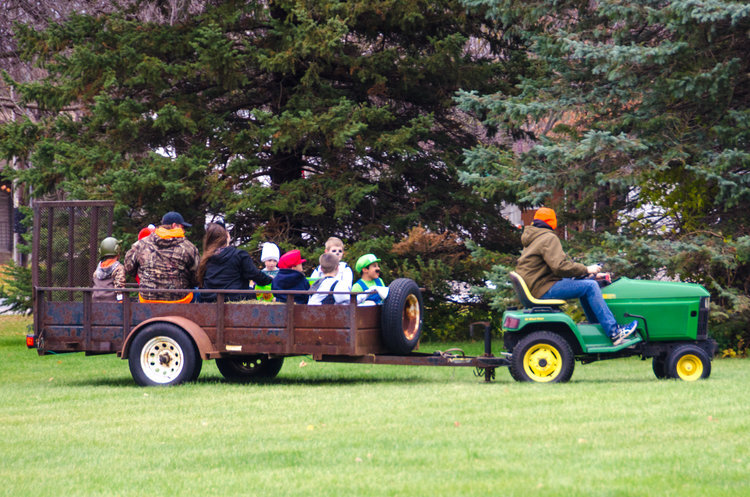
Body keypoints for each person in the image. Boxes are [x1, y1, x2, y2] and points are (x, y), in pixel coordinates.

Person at [515, 207, 638, 345]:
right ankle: (614, 332)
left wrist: (588, 274)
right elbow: (559, 267)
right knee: (590, 287)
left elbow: (555, 269)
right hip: (543, 289)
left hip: (538, 286)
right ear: (552, 222)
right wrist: (586, 269)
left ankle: (597, 328)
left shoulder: (534, 238)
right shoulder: (548, 238)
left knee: (586, 283)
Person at [123, 211, 200, 302]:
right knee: (196, 290)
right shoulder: (189, 247)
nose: (184, 231)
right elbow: (197, 278)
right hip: (179, 300)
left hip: (147, 299)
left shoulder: (141, 244)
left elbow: (129, 268)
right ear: (174, 225)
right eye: (182, 227)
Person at [198, 223, 272, 302]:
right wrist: (270, 280)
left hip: (208, 301)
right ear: (226, 236)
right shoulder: (239, 255)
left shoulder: (205, 258)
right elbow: (254, 274)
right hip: (235, 300)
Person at [92, 237, 126, 302]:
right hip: (111, 303)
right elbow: (119, 288)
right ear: (117, 250)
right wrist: (121, 302)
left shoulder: (98, 268)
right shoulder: (118, 268)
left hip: (95, 302)